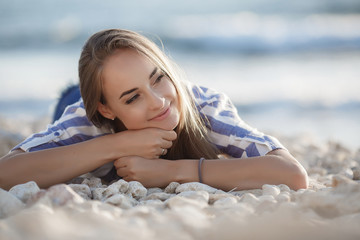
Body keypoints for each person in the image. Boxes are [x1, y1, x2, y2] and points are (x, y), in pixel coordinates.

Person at [0, 29, 308, 191]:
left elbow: (292, 175)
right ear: (107, 110)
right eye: (132, 97)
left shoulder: (202, 107)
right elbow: (5, 173)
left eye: (158, 78)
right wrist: (116, 144)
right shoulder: (84, 121)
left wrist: (172, 171)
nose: (159, 101)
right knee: (69, 95)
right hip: (75, 100)